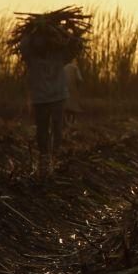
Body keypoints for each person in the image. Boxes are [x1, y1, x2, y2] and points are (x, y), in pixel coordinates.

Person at [19, 31, 73, 175]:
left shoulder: (58, 53)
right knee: (42, 129)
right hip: (40, 98)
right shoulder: (31, 56)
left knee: (57, 127)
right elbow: (23, 46)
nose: (40, 42)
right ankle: (45, 157)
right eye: (37, 40)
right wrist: (32, 32)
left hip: (57, 97)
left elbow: (73, 47)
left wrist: (64, 33)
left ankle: (54, 155)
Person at [63, 59, 84, 125]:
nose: (76, 63)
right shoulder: (75, 68)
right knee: (74, 107)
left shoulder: (64, 68)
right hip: (73, 90)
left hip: (64, 90)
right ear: (74, 61)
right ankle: (72, 123)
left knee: (66, 106)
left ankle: (66, 122)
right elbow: (80, 79)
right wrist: (78, 87)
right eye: (76, 61)